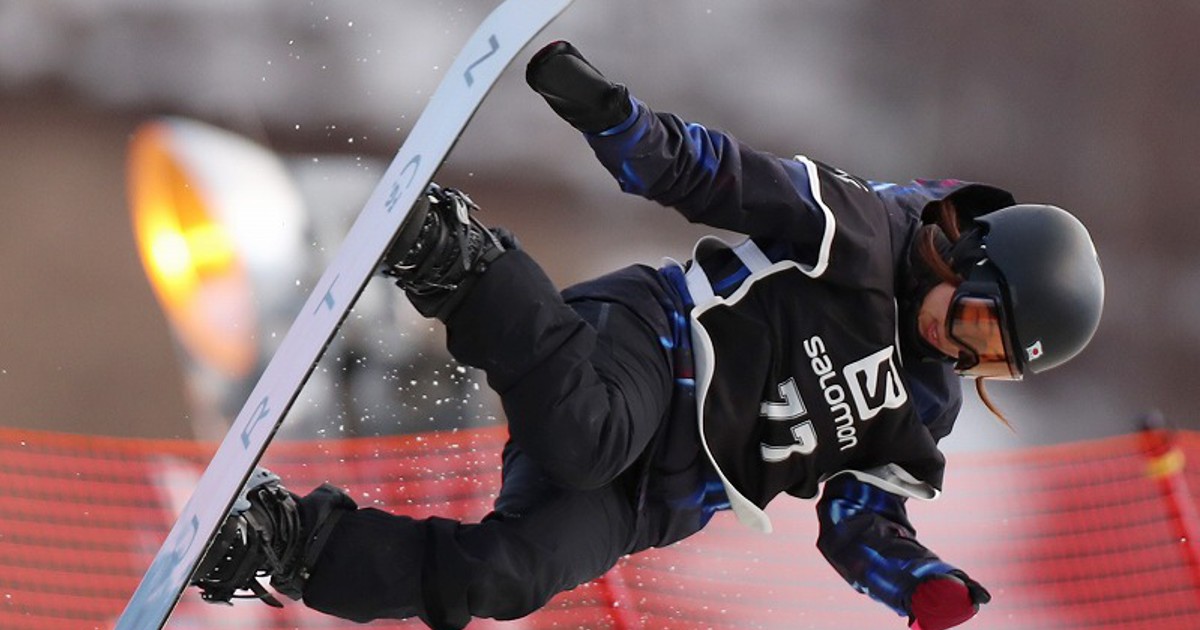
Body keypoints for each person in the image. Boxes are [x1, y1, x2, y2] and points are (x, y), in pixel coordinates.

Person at [190, 41, 1105, 630]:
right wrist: (614, 119)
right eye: (980, 321)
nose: (964, 349)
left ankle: (284, 543)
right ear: (969, 257)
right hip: (655, 346)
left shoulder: (920, 412)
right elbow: (721, 178)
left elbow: (859, 519)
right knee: (590, 431)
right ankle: (456, 258)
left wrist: (917, 582)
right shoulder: (860, 234)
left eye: (989, 360)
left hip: (653, 498)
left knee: (505, 579)